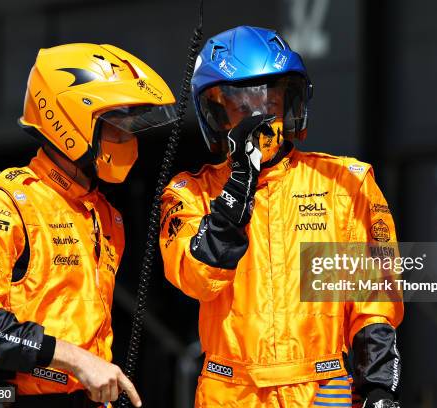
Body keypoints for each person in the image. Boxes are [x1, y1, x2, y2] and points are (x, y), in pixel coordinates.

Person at [160, 26, 403, 408]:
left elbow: (374, 296)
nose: (259, 116)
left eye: (270, 103)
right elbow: (196, 280)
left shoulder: (345, 182)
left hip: (324, 391)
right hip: (231, 393)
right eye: (242, 107)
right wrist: (236, 189)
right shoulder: (189, 192)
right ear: (217, 113)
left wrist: (378, 387)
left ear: (290, 103)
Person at [0, 43, 178, 407]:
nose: (128, 140)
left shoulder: (105, 216)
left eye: (132, 128)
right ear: (68, 121)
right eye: (118, 126)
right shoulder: (1, 202)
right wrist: (75, 359)